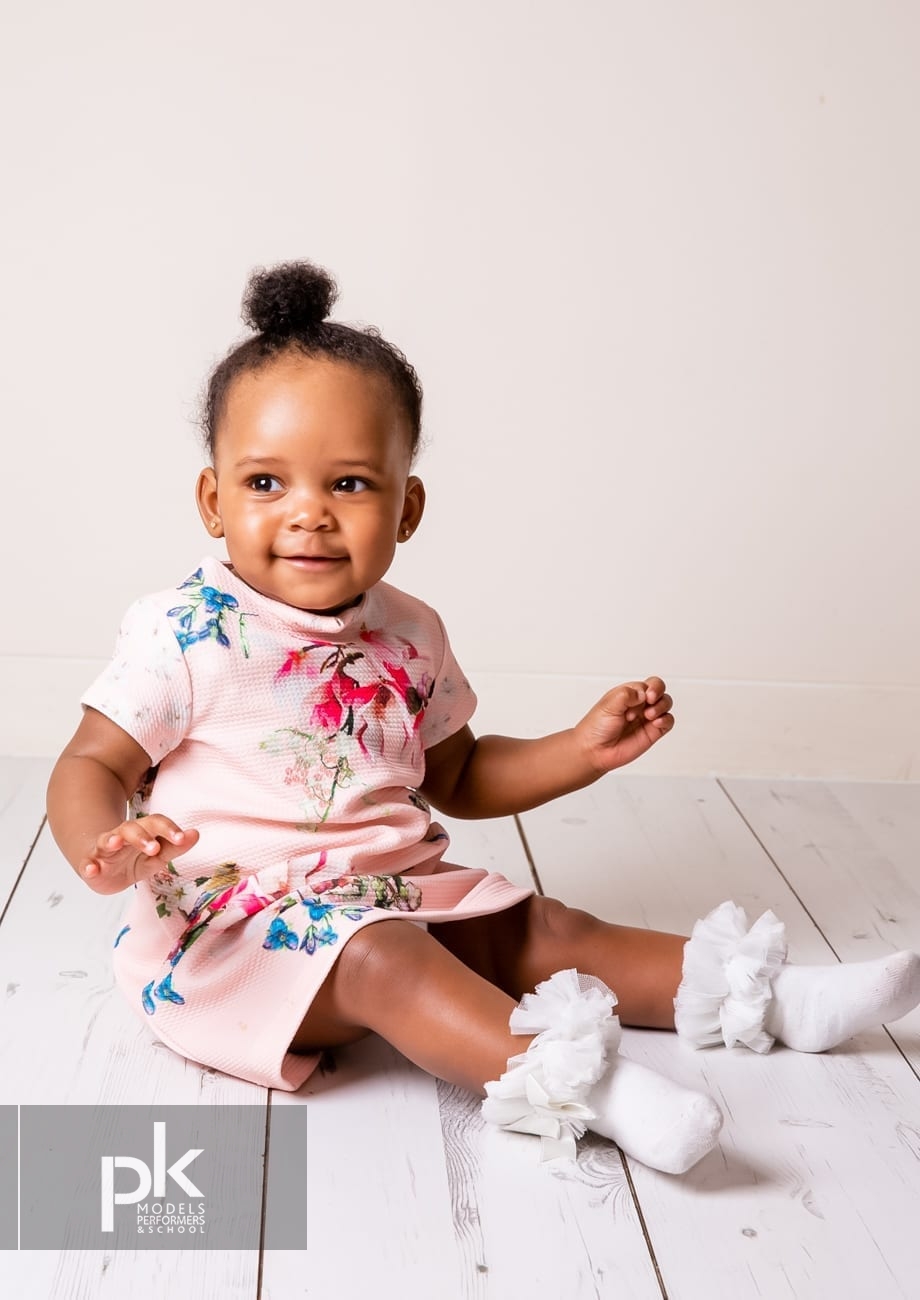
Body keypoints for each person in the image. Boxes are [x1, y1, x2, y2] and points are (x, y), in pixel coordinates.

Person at [47, 262, 920, 1175]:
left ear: (408, 507)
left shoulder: (410, 631)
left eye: (350, 484)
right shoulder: (184, 633)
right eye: (266, 482)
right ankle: (598, 1092)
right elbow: (91, 764)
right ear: (212, 501)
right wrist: (106, 843)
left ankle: (778, 999)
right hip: (238, 938)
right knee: (384, 961)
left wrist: (578, 751)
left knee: (541, 931)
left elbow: (458, 775)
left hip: (389, 893)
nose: (309, 514)